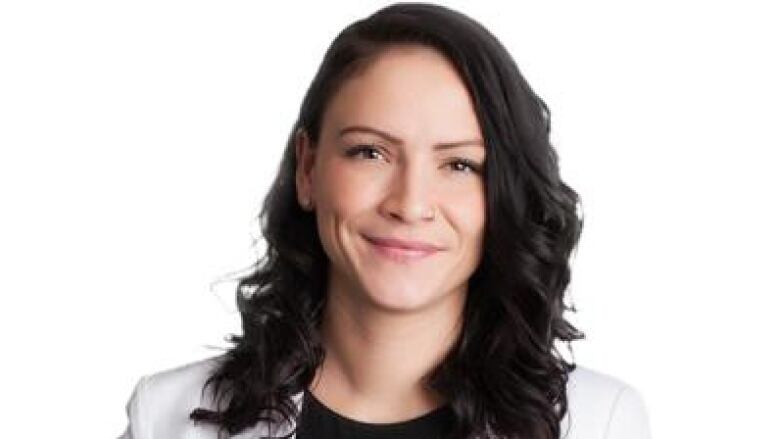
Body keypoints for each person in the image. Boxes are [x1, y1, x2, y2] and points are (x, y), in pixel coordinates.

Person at [118, 3, 651, 438]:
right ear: (308, 168)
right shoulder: (166, 417)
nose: (410, 202)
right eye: (370, 153)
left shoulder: (598, 422)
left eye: (459, 164)